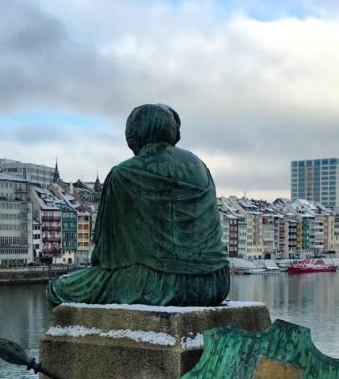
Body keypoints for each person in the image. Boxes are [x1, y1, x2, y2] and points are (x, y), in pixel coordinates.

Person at [47, 103, 230, 306]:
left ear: (134, 134)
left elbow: (105, 256)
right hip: (216, 283)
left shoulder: (123, 174)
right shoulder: (200, 167)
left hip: (159, 284)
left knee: (57, 289)